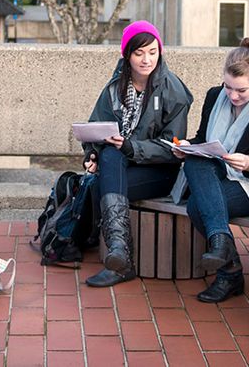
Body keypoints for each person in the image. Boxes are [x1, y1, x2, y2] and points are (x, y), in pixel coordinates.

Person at [176, 37, 249, 303]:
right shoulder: (214, 96)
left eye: (241, 90)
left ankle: (229, 272)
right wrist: (187, 146)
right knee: (194, 160)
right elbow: (203, 140)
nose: (232, 96)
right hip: (217, 174)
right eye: (228, 86)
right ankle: (222, 243)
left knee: (197, 206)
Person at [82, 20, 193, 287]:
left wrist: (131, 147)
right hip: (121, 167)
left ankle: (119, 257)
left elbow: (172, 147)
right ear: (127, 55)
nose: (146, 60)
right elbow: (97, 127)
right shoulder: (114, 88)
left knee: (105, 177)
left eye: (153, 52)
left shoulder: (173, 90)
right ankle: (120, 253)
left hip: (160, 172)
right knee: (108, 156)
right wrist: (92, 155)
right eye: (139, 53)